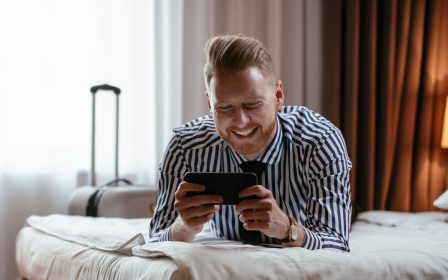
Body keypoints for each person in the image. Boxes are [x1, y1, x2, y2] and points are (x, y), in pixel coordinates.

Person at [149, 34, 352, 251]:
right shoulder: (184, 146)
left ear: (278, 95)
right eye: (225, 108)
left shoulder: (320, 141)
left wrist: (287, 229)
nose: (241, 121)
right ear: (210, 104)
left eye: (252, 104)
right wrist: (184, 228)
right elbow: (154, 241)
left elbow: (337, 244)